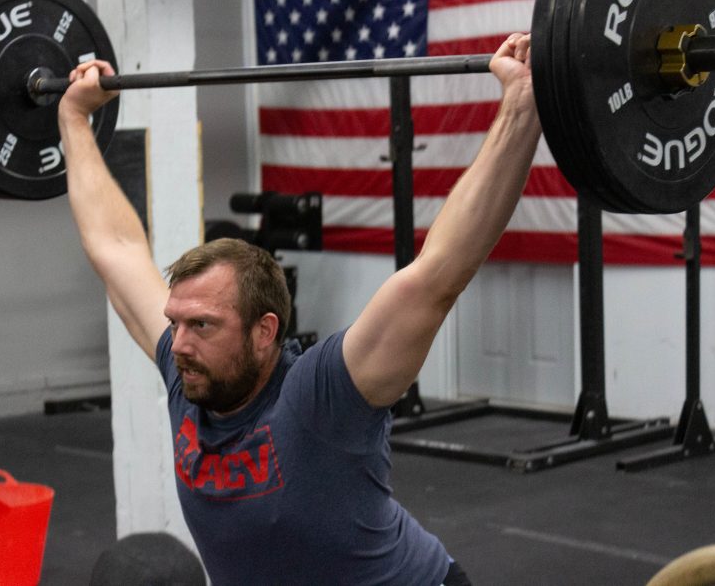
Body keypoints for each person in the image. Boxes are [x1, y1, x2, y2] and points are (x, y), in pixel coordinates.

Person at [58, 33, 542, 586]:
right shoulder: (187, 369)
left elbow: (437, 277)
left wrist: (521, 106)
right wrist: (74, 118)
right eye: (175, 322)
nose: (180, 342)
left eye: (202, 325)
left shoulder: (323, 395)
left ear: (265, 332)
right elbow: (116, 250)